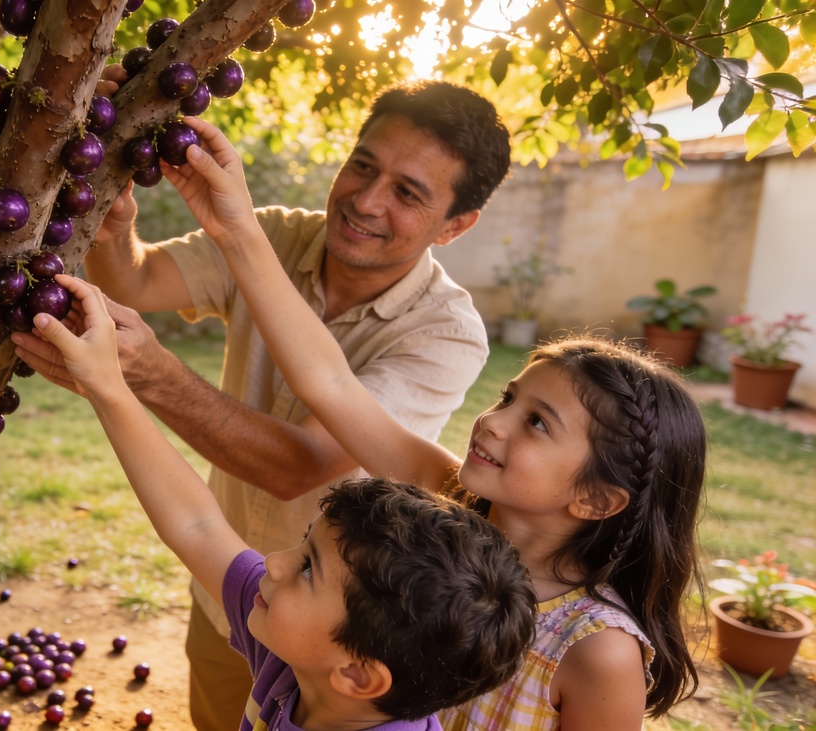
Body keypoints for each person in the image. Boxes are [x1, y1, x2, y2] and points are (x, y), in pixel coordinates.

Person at [0, 79, 512, 726]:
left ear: (456, 224)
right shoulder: (279, 237)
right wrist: (112, 228)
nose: (366, 200)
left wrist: (144, 374)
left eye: (407, 193)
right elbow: (138, 278)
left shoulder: (445, 333)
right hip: (231, 594)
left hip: (347, 618)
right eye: (363, 166)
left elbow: (296, 466)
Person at [158, 116, 704, 729]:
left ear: (597, 498)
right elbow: (331, 384)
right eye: (507, 399)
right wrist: (238, 230)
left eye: (538, 424)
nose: (492, 424)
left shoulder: (596, 649)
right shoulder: (449, 500)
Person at [28, 274, 537, 730]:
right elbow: (198, 525)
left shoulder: (293, 644)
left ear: (358, 674)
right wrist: (107, 386)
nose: (273, 562)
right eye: (303, 548)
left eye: (309, 570)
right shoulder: (295, 657)